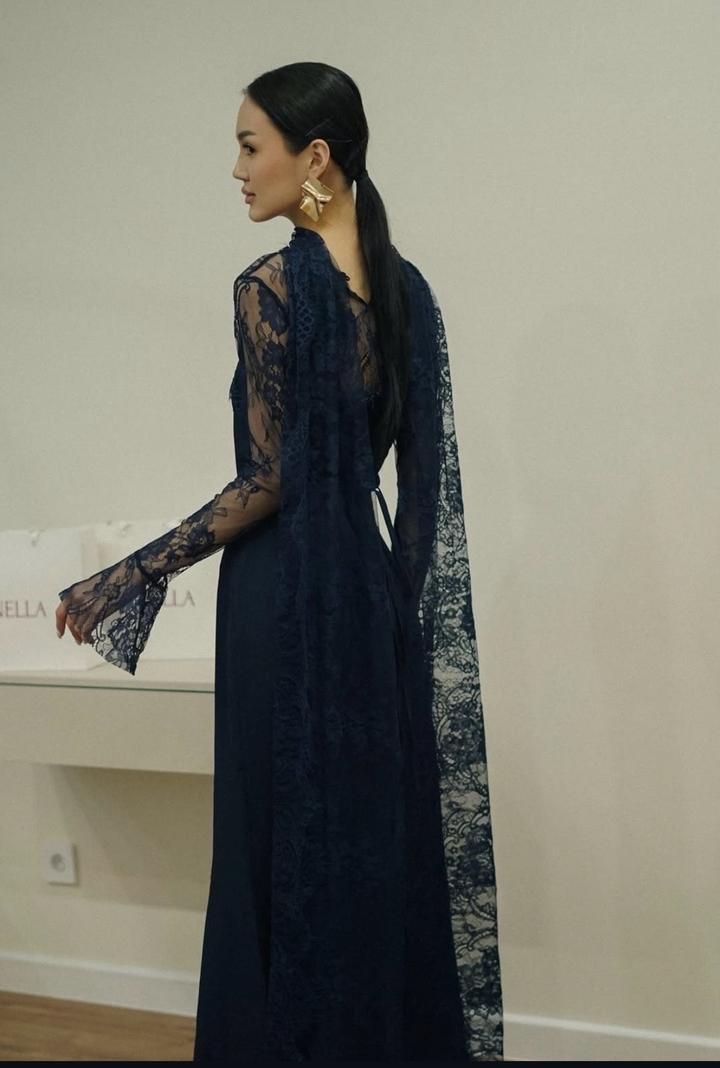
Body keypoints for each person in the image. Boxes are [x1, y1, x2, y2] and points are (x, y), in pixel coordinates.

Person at [55, 61, 503, 1062]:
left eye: (249, 145)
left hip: (281, 598)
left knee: (270, 851)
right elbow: (420, 498)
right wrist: (389, 614)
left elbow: (271, 480)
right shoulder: (409, 293)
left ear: (315, 158)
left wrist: (130, 572)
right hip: (369, 601)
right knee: (362, 852)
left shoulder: (270, 286)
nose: (236, 168)